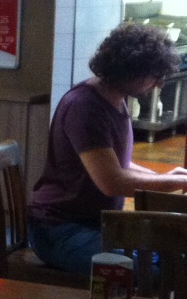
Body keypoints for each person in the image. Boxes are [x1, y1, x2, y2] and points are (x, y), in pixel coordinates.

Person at [28, 21, 187, 274]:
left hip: (94, 224)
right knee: (157, 272)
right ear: (130, 70)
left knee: (175, 253)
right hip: (60, 231)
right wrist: (173, 182)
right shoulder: (85, 106)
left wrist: (168, 177)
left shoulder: (115, 99)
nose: (158, 84)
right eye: (154, 76)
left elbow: (118, 163)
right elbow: (112, 182)